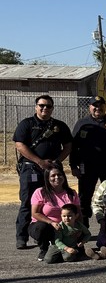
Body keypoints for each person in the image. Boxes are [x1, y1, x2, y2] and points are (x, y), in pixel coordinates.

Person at [14, 94, 73, 250]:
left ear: (52, 108)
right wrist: (39, 161)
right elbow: (19, 145)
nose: (44, 108)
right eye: (41, 105)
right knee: (28, 202)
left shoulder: (60, 126)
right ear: (36, 107)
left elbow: (68, 146)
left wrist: (57, 162)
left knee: (55, 201)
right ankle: (22, 236)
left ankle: (54, 234)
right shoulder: (26, 124)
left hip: (52, 171)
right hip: (31, 168)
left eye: (48, 106)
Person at [70, 95, 106, 224]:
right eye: (94, 105)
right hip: (87, 166)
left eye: (100, 105)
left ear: (105, 107)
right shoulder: (82, 123)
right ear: (89, 107)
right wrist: (73, 166)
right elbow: (73, 146)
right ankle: (83, 229)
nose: (98, 108)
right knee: (84, 198)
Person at [29, 165, 81, 261]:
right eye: (53, 176)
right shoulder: (40, 192)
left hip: (66, 228)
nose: (57, 177)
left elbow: (78, 213)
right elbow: (35, 213)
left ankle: (66, 248)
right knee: (41, 227)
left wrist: (80, 229)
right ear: (47, 178)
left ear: (64, 177)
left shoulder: (71, 193)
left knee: (69, 256)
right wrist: (51, 222)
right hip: (47, 227)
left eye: (59, 175)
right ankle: (44, 248)